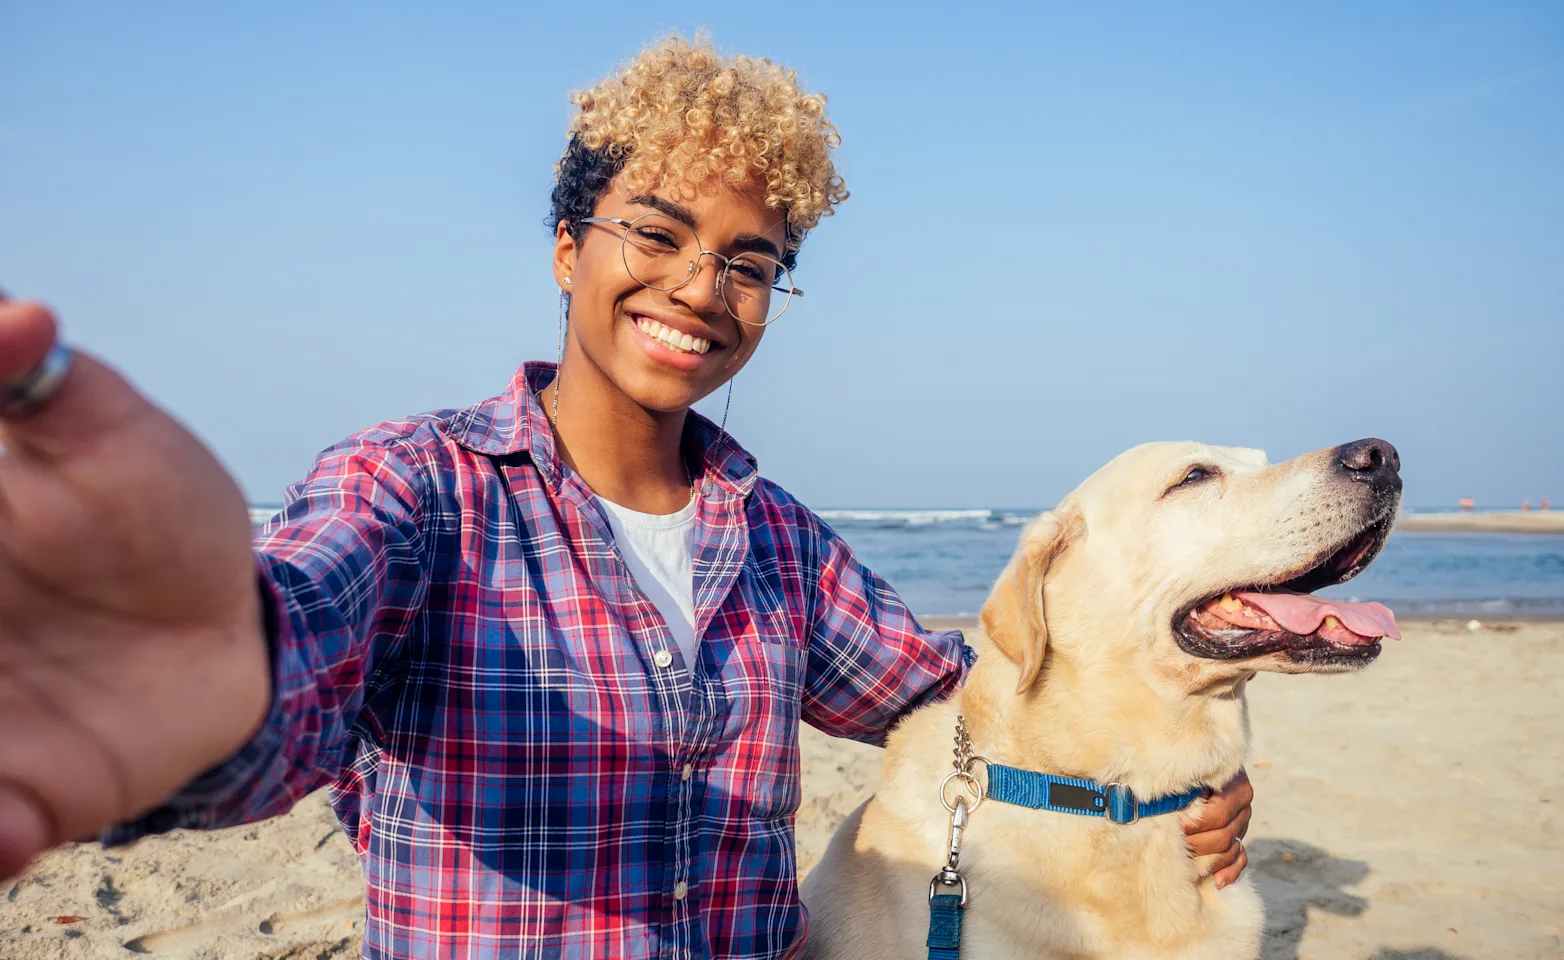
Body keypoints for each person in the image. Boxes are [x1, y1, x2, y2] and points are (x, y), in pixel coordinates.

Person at [0, 34, 1251, 959]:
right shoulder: (415, 488)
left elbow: (979, 693)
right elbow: (293, 661)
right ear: (567, 246)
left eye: (748, 264)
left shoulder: (774, 543)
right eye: (655, 235)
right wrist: (183, 669)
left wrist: (1170, 781)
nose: (701, 288)